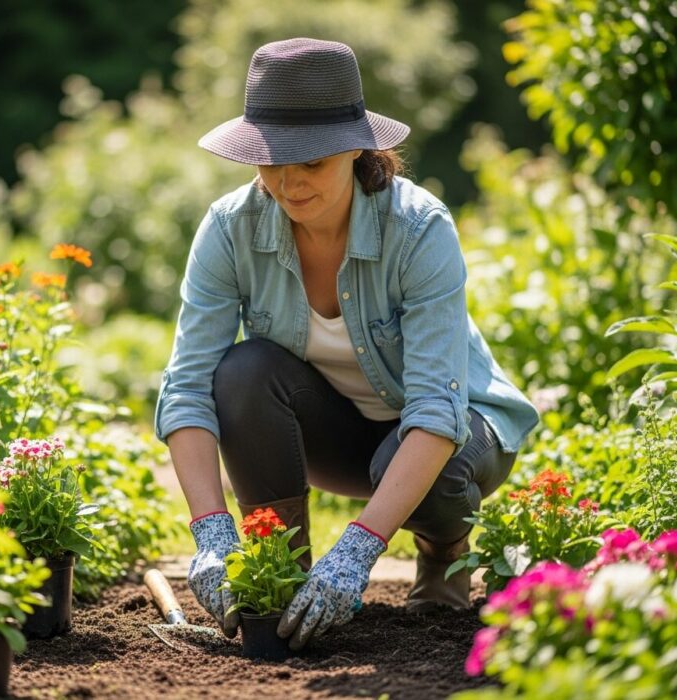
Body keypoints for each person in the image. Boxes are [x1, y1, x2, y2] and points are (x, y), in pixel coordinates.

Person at [154, 38, 539, 651]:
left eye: (310, 162)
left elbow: (436, 412)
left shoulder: (418, 228)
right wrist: (211, 532)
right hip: (336, 434)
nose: (288, 182)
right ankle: (283, 570)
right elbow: (188, 388)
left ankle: (442, 550)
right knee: (241, 371)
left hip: (456, 434)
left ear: (357, 146)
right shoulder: (230, 228)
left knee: (427, 465)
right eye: (270, 161)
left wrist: (359, 549)